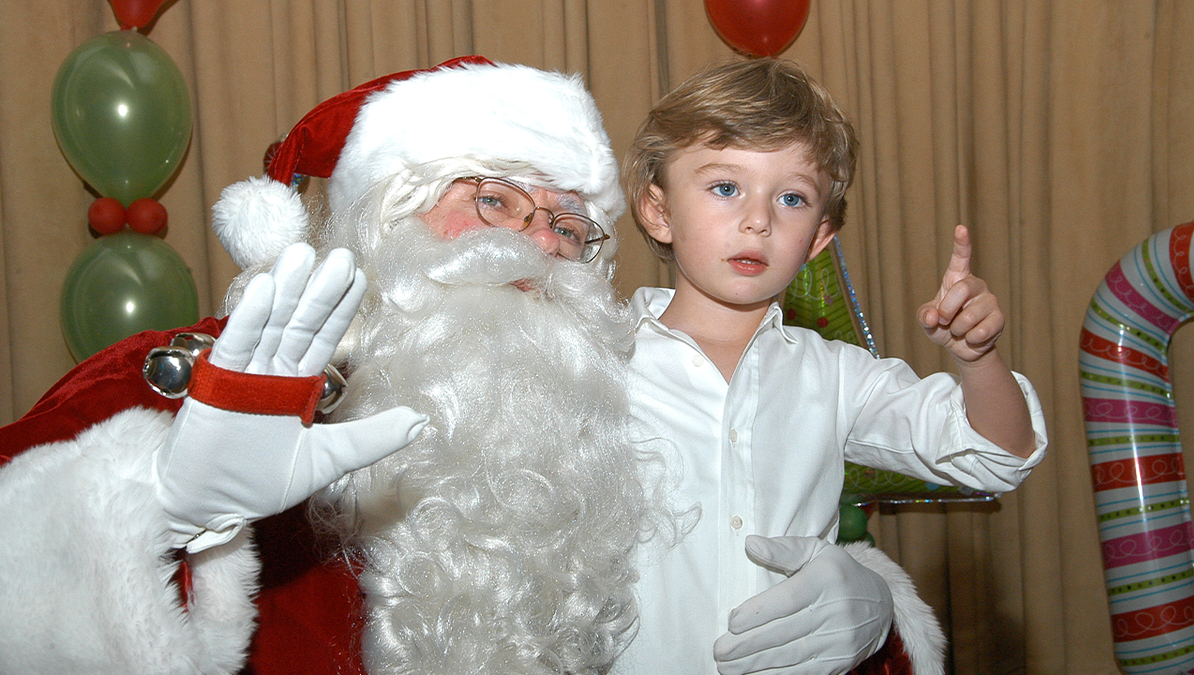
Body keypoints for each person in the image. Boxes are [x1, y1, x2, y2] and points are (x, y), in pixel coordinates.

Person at [0, 56, 913, 675]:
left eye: (566, 224)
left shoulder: (591, 415)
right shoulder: (220, 373)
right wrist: (163, 507)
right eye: (493, 199)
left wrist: (872, 618)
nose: (534, 243)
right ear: (387, 211)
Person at [614, 58, 1048, 675]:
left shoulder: (838, 376)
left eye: (791, 198)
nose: (758, 219)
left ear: (818, 236)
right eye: (725, 187)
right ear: (658, 210)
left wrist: (977, 359)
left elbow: (996, 453)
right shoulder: (593, 360)